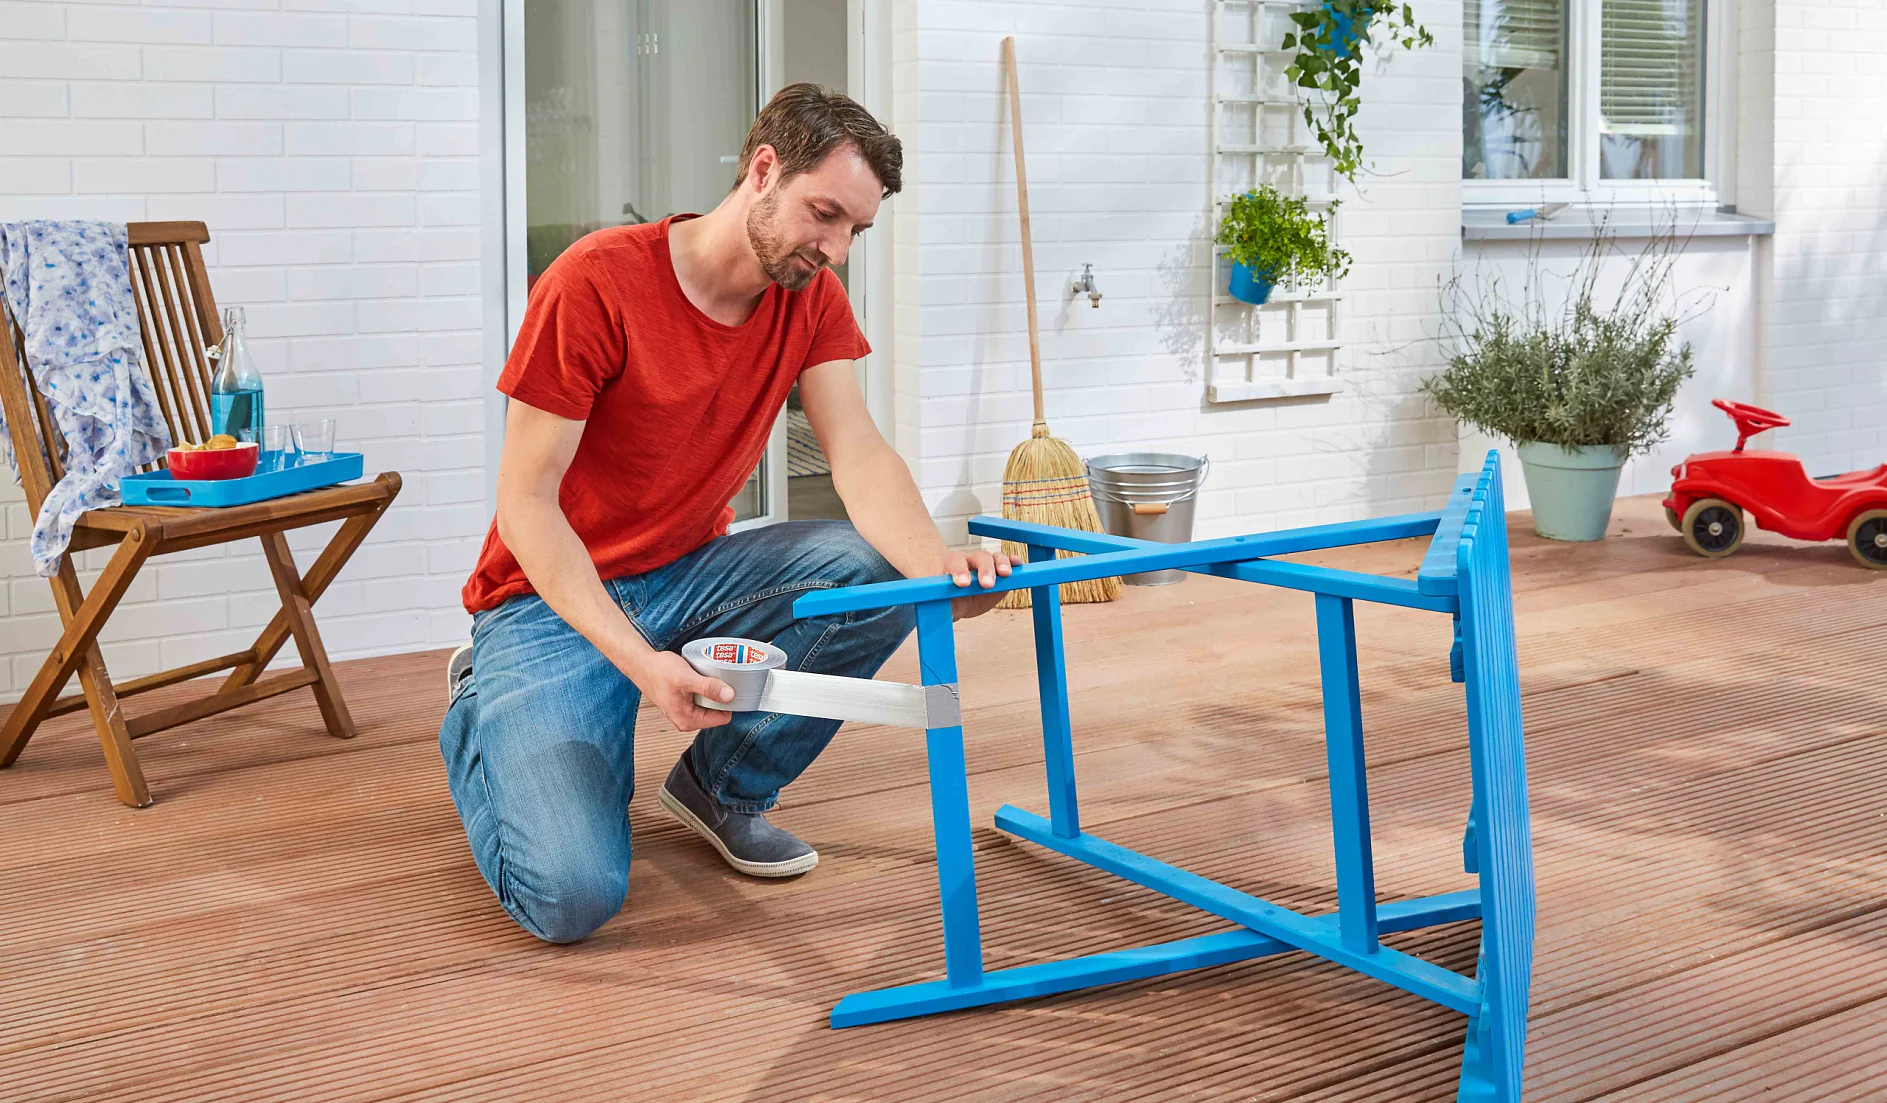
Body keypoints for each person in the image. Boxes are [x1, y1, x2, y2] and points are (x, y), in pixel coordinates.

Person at [438, 84, 1012, 944]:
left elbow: (858, 452)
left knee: (878, 567)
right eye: (825, 214)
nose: (835, 250)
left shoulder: (809, 297)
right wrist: (643, 666)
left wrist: (936, 573)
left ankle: (722, 786)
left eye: (854, 230)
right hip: (546, 600)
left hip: (690, 571)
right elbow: (524, 505)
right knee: (569, 896)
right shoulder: (595, 282)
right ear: (763, 169)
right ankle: (481, 708)